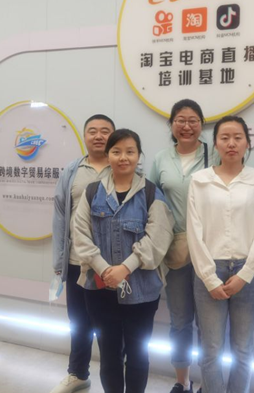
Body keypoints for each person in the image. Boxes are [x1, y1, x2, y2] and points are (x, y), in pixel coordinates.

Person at [72, 129, 175, 393]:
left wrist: (125, 268)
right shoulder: (91, 192)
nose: (123, 157)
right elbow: (80, 234)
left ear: (139, 156)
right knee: (109, 355)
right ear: (107, 155)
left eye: (130, 151)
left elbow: (158, 239)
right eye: (116, 152)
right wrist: (104, 268)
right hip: (99, 289)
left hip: (141, 291)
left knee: (138, 355)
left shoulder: (151, 194)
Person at [187, 115, 254, 393]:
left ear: (247, 142)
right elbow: (194, 231)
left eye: (238, 137)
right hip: (208, 269)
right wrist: (209, 277)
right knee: (211, 348)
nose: (231, 143)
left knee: (243, 348)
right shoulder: (200, 180)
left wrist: (245, 274)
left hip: (247, 271)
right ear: (215, 144)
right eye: (224, 138)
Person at [51, 114, 115, 393]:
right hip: (78, 261)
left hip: (112, 265)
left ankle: (115, 379)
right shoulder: (72, 170)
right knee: (79, 322)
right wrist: (59, 259)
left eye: (105, 131)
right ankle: (78, 374)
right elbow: (59, 215)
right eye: (93, 131)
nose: (99, 136)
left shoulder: (123, 166)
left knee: (112, 325)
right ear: (85, 136)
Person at [150, 99, 209, 393]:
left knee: (210, 324)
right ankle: (182, 381)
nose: (187, 126)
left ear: (202, 124)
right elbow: (151, 201)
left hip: (211, 251)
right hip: (175, 251)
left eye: (193, 120)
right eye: (180, 120)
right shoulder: (161, 159)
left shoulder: (215, 155)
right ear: (171, 124)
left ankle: (209, 381)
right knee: (180, 320)